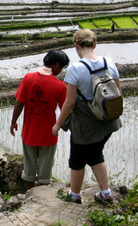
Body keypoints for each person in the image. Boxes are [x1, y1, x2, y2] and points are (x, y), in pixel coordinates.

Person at [52, 29, 122, 204]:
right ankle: (105, 194)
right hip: (109, 120)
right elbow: (119, 92)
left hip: (86, 124)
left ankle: (74, 196)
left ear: (76, 45)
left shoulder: (76, 68)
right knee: (95, 154)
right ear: (95, 44)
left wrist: (57, 125)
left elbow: (69, 103)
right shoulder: (109, 62)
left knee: (77, 159)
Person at [10, 49, 70, 190]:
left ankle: (30, 194)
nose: (61, 70)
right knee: (45, 173)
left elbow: (19, 103)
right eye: (61, 67)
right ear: (56, 64)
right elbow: (65, 112)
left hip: (29, 132)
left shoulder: (28, 78)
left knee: (29, 170)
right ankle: (41, 196)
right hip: (48, 135)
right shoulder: (60, 86)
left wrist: (13, 122)